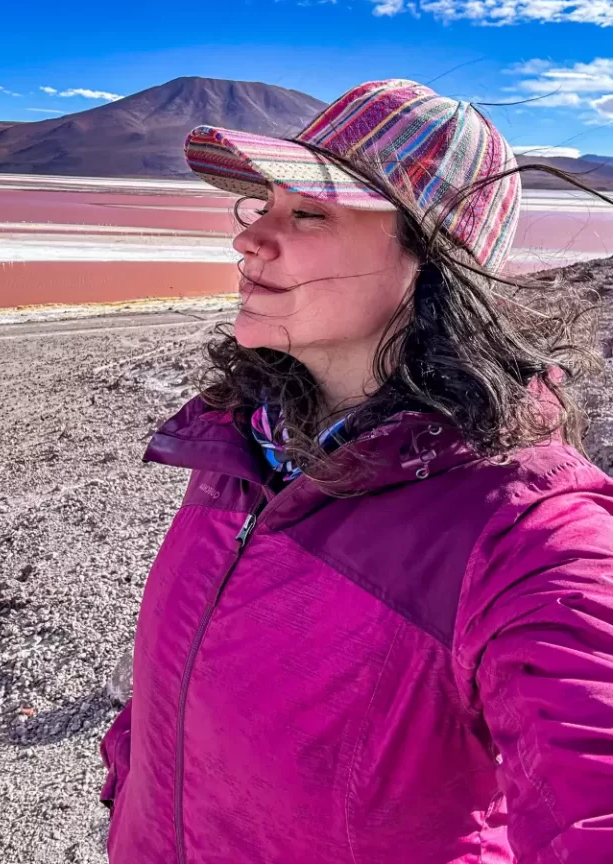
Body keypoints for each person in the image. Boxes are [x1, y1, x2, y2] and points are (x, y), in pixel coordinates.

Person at [99, 79, 613, 863]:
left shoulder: (528, 536)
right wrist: (129, 788)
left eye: (306, 212)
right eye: (260, 205)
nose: (250, 239)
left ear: (433, 262)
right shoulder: (248, 442)